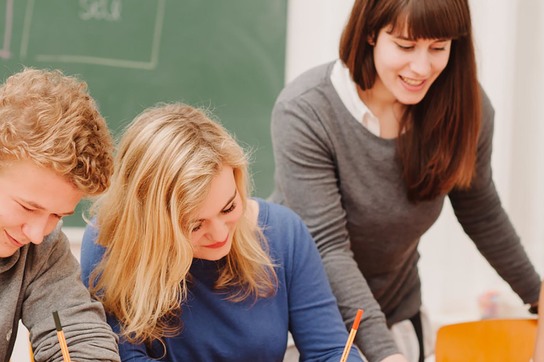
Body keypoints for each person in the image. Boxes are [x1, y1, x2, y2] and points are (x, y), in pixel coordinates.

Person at [269, 0, 541, 361]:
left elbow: (482, 212)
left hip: (397, 314)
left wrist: (536, 294)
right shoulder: (305, 111)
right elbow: (328, 247)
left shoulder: (465, 107)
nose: (422, 67)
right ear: (370, 33)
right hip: (304, 322)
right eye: (405, 45)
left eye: (438, 47)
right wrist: (385, 354)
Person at [79, 102, 363, 362]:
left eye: (228, 208)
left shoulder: (284, 234)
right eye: (194, 225)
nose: (218, 235)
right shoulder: (110, 244)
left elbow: (329, 351)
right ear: (150, 225)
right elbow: (126, 358)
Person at [0, 68, 120, 361]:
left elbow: (81, 335)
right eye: (28, 207)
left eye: (57, 215)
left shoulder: (43, 248)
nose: (37, 233)